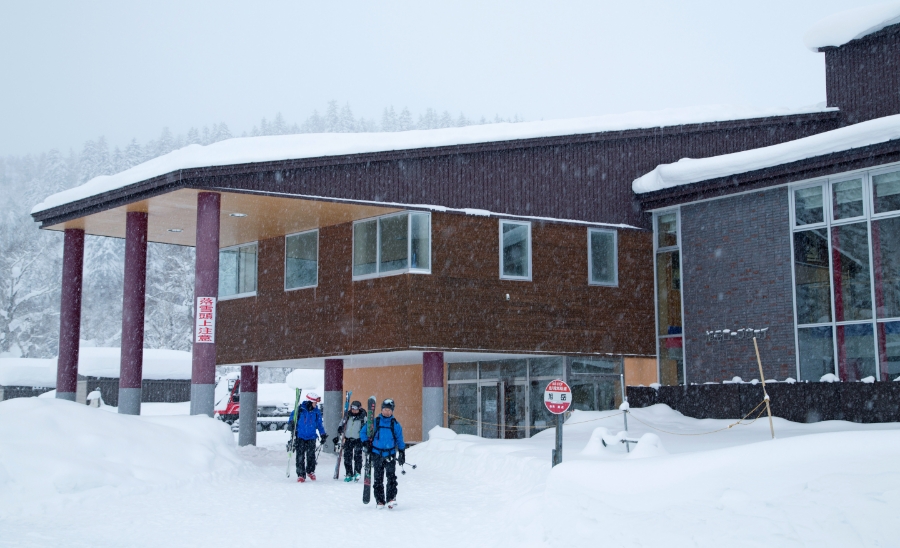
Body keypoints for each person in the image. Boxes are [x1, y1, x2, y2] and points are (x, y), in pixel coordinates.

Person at [359, 398, 405, 509]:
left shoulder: (395, 424)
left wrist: (402, 452)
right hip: (377, 453)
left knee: (391, 478)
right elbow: (363, 432)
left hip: (390, 454)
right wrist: (365, 442)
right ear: (381, 410)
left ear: (392, 411)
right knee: (378, 478)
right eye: (385, 409)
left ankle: (391, 498)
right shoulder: (375, 422)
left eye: (389, 410)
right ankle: (380, 500)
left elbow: (400, 439)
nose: (387, 412)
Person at [287, 392, 327, 483]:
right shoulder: (300, 409)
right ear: (310, 402)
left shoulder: (316, 412)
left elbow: (319, 425)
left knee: (311, 456)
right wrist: (291, 423)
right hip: (300, 436)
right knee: (300, 456)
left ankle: (310, 471)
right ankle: (301, 474)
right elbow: (292, 417)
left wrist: (323, 434)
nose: (316, 405)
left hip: (311, 437)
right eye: (314, 403)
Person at [335, 400, 367, 482]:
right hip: (348, 439)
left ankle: (357, 472)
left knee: (357, 457)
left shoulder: (363, 417)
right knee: (347, 457)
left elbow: (366, 427)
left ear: (359, 408)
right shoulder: (347, 415)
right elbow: (341, 423)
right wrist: (340, 428)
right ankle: (349, 473)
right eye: (352, 408)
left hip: (358, 439)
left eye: (356, 409)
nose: (354, 410)